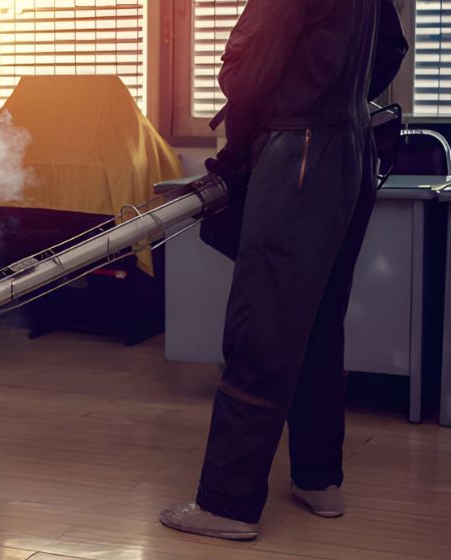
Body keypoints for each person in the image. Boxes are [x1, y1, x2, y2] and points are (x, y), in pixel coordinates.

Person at [159, 0, 408, 541]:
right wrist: (332, 95)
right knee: (317, 322)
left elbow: (244, 72)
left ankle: (228, 504)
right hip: (351, 149)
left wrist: (245, 145)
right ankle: (320, 479)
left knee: (262, 325)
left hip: (298, 151)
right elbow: (391, 48)